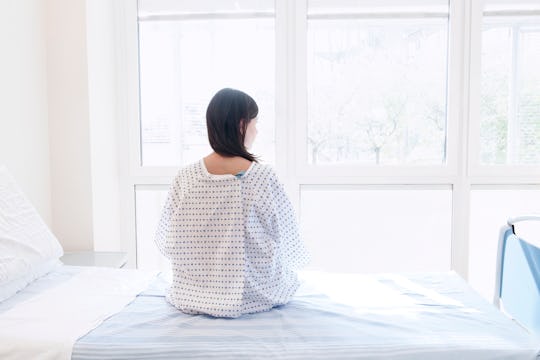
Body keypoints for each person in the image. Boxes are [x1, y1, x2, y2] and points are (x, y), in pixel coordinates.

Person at [155, 88, 309, 318]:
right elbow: (287, 239)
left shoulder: (186, 177)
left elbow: (168, 239)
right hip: (256, 292)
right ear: (241, 125)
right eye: (254, 124)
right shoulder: (262, 177)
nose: (256, 131)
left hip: (194, 292)